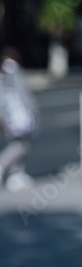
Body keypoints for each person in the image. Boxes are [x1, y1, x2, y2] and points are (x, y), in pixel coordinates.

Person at [0, 47, 39, 192]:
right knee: (21, 146)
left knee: (18, 144)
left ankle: (16, 175)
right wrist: (33, 112)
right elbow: (24, 95)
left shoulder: (4, 74)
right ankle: (3, 164)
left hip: (8, 118)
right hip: (17, 118)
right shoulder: (15, 72)